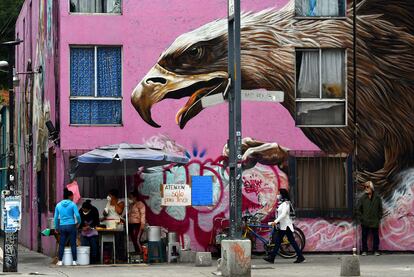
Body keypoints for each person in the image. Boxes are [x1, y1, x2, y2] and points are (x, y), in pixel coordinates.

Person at [263, 189, 305, 264]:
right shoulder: (281, 203)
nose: (278, 195)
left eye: (279, 193)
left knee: (280, 241)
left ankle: (272, 258)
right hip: (283, 226)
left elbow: (283, 214)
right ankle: (300, 256)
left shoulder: (286, 203)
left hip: (286, 226)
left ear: (282, 195)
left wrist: (275, 222)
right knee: (286, 241)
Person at [54, 188, 81, 266]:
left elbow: (56, 218)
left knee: (62, 243)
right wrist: (79, 222)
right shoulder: (73, 204)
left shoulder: (58, 205)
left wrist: (56, 227)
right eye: (72, 196)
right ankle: (74, 261)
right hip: (71, 225)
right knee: (73, 243)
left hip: (62, 226)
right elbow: (78, 215)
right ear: (70, 196)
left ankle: (60, 261)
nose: (73, 197)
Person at [357, 181, 383, 256]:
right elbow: (358, 209)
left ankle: (376, 250)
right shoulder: (362, 198)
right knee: (364, 237)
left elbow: (380, 209)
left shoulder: (377, 198)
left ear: (371, 188)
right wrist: (362, 218)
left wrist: (378, 217)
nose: (366, 188)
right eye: (365, 187)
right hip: (365, 221)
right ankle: (364, 251)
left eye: (367, 187)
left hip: (375, 221)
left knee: (376, 237)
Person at [79, 200, 100, 264]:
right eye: (83, 210)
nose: (84, 212)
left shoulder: (94, 210)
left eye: (85, 211)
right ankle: (85, 259)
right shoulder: (80, 211)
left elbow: (96, 221)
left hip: (92, 232)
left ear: (89, 209)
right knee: (84, 247)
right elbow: (79, 221)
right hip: (84, 232)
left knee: (94, 246)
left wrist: (90, 226)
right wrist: (82, 227)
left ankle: (94, 260)